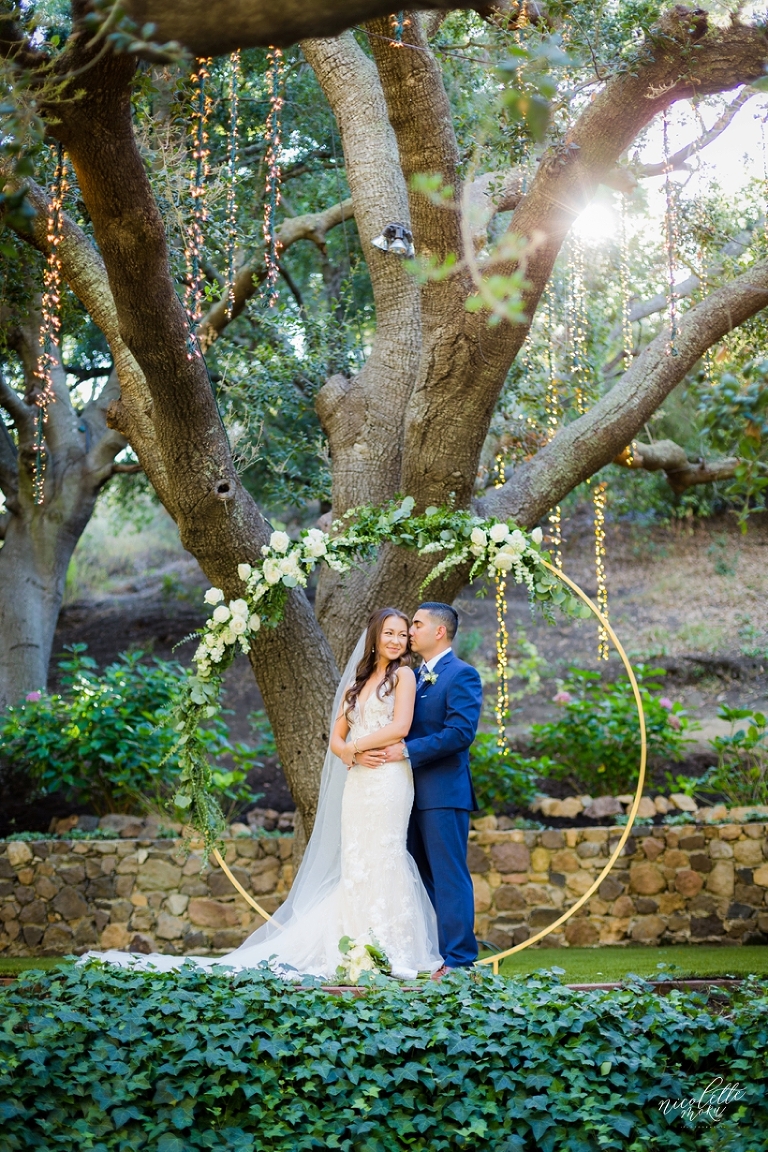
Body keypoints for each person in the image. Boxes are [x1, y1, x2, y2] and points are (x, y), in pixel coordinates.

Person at [82, 607, 443, 981]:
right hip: (358, 778)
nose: (396, 640)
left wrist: (359, 746)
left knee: (384, 852)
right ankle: (354, 944)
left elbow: (400, 727)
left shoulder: (403, 676)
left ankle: (392, 948)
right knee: (356, 858)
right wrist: (350, 752)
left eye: (402, 635)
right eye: (390, 633)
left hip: (387, 776)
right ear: (375, 636)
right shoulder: (357, 680)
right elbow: (336, 739)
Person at [377, 602, 483, 975]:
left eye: (417, 625)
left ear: (439, 631)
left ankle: (459, 960)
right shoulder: (410, 676)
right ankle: (434, 954)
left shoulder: (462, 675)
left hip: (443, 794)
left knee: (448, 876)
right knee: (417, 875)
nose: (410, 632)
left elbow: (459, 733)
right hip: (405, 794)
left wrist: (406, 750)